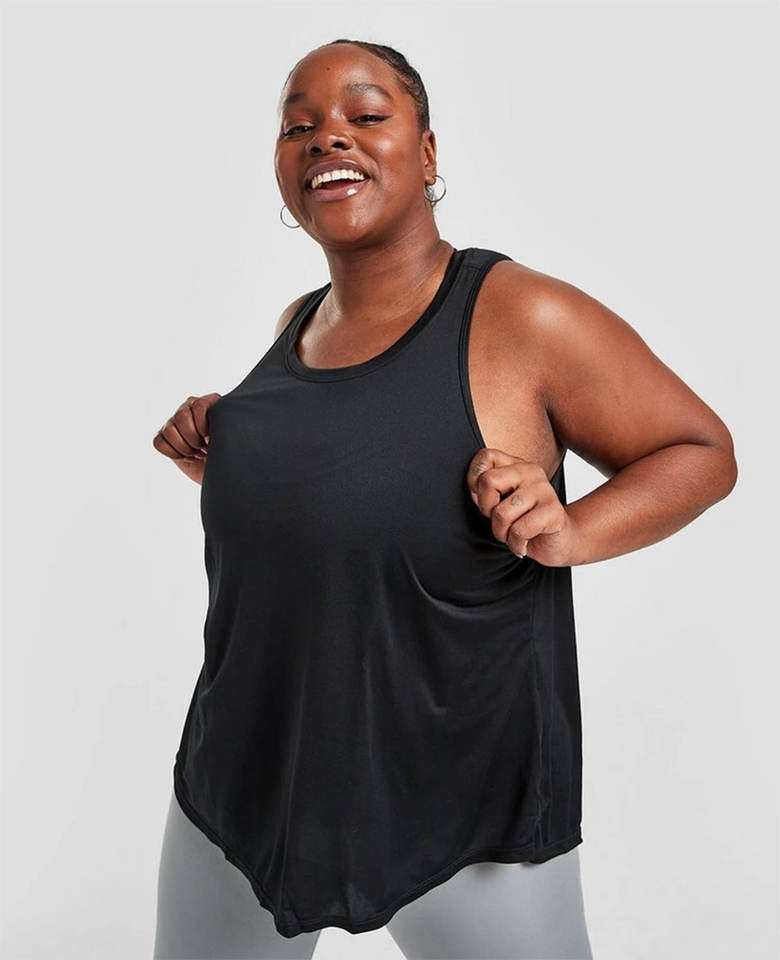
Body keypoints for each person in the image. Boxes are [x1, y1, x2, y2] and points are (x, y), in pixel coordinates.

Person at [151, 39, 738, 960]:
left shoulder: (522, 315)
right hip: (245, 785)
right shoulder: (293, 326)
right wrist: (237, 468)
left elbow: (700, 451)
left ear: (427, 153)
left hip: (461, 816)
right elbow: (345, 509)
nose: (326, 137)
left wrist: (571, 529)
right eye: (298, 127)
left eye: (364, 115)